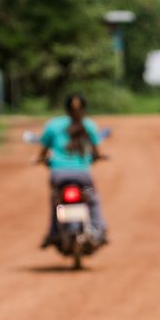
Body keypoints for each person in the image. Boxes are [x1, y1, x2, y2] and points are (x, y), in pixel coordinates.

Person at [36, 93, 107, 244]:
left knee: (56, 199)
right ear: (84, 109)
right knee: (92, 199)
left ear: (66, 108)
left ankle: (54, 232)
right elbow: (96, 152)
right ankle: (97, 229)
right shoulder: (88, 125)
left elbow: (43, 151)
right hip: (82, 176)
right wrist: (97, 157)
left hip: (58, 175)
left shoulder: (54, 125)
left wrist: (41, 159)